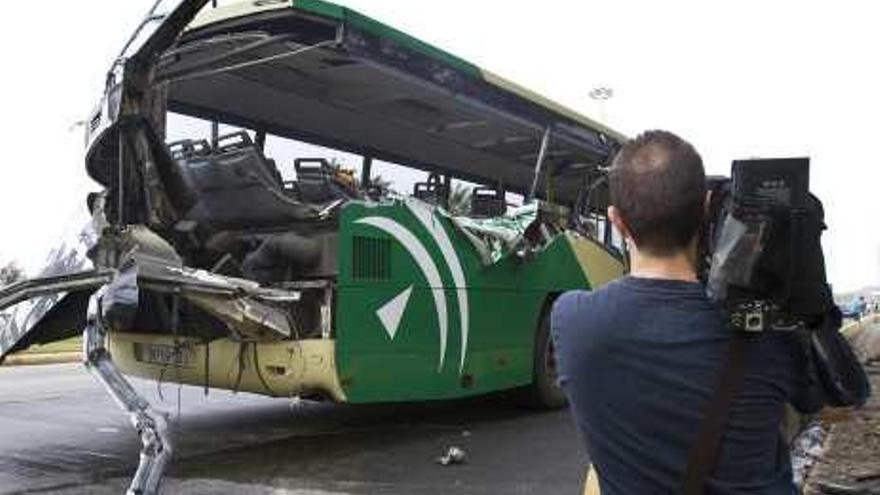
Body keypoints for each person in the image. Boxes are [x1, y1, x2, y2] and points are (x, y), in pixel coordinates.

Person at [551, 130, 822, 494]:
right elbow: (822, 398)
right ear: (708, 209)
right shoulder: (769, 325)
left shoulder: (571, 319)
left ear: (617, 221)